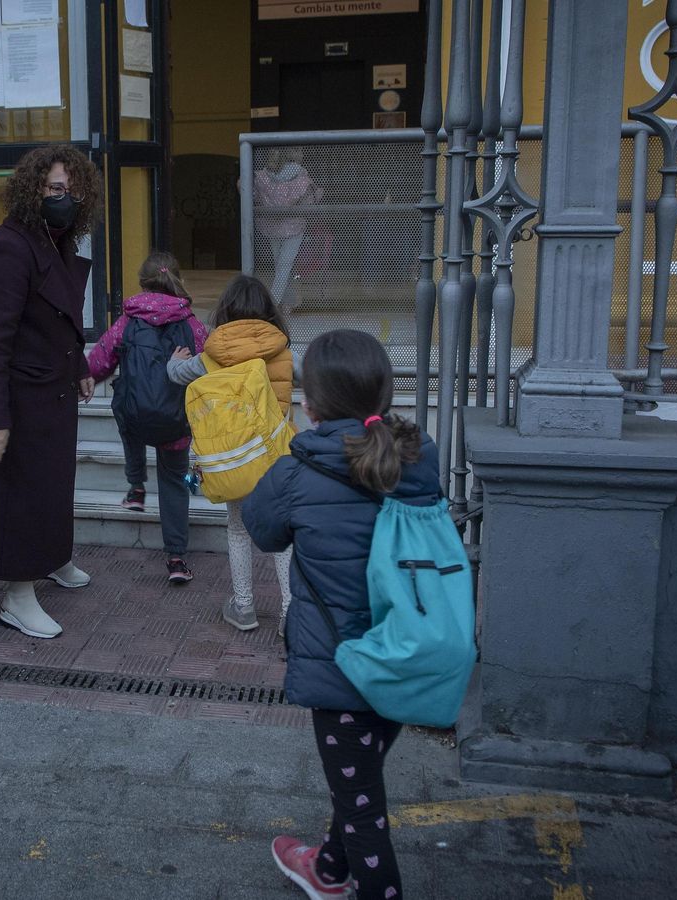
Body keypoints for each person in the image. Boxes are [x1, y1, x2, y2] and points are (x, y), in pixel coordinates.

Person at [243, 329, 440, 900]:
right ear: (385, 395)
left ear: (309, 405)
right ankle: (327, 870)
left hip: (342, 669)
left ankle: (362, 884)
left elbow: (263, 532)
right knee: (358, 783)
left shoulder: (296, 470)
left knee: (364, 813)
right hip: (406, 650)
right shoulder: (418, 458)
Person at [0, 145, 103, 640]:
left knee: (52, 485)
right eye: (55, 190)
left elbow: (60, 318)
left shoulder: (56, 239)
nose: (66, 199)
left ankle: (52, 559)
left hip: (53, 390)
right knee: (21, 495)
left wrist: (83, 362)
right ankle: (17, 596)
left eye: (72, 190)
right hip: (19, 398)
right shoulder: (9, 247)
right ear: (33, 192)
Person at [167, 275, 295, 633]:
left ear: (226, 311)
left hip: (235, 459)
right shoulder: (284, 351)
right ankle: (289, 614)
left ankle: (244, 608)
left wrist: (172, 361)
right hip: (276, 458)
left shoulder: (212, 355)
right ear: (268, 311)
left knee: (239, 530)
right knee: (282, 534)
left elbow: (178, 375)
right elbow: (319, 374)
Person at [86, 251, 209, 586]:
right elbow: (211, 361)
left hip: (136, 417)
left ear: (142, 282)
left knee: (123, 409)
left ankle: (136, 486)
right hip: (176, 422)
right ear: (176, 279)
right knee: (175, 482)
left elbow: (99, 362)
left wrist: (82, 379)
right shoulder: (191, 324)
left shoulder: (127, 321)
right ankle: (176, 558)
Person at [253, 147, 322, 314]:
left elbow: (255, 196)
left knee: (283, 265)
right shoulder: (298, 176)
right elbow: (311, 199)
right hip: (286, 226)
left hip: (281, 226)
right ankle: (286, 303)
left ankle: (274, 303)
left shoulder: (263, 178)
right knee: (283, 265)